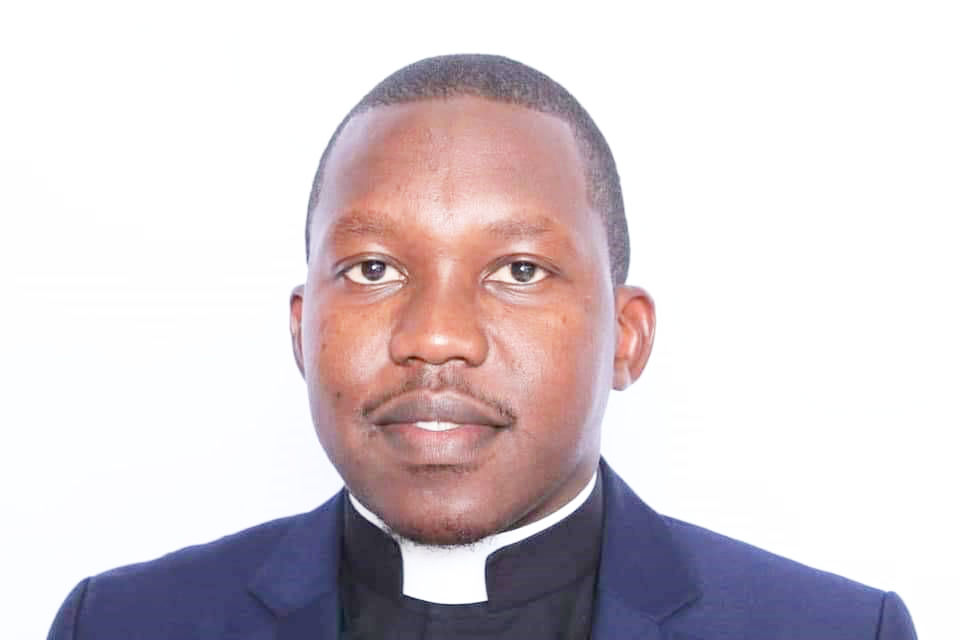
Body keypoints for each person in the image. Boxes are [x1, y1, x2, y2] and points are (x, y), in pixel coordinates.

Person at [47, 54, 917, 639]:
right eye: (375, 268)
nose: (436, 337)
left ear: (627, 336)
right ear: (303, 330)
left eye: (520, 270)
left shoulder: (835, 631)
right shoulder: (121, 624)